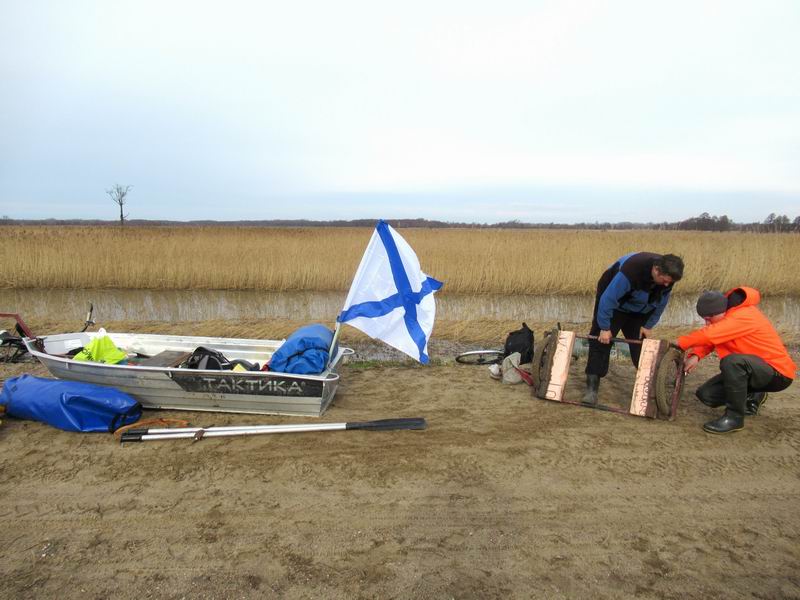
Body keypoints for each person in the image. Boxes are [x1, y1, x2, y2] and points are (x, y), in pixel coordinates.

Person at [678, 288, 795, 434]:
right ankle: (754, 393)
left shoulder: (743, 315)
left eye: (709, 318)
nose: (707, 323)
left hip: (778, 373)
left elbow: (710, 334)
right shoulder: (727, 316)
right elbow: (713, 338)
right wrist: (696, 355)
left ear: (721, 311)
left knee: (731, 362)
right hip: (753, 369)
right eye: (704, 319)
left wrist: (679, 343)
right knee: (707, 395)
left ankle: (734, 419)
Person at [584, 252, 684, 404]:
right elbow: (608, 299)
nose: (666, 285)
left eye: (669, 282)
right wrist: (604, 328)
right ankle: (591, 390)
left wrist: (648, 325)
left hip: (640, 309)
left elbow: (661, 303)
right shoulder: (631, 271)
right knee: (600, 342)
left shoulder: (668, 278)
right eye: (664, 281)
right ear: (656, 270)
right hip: (615, 304)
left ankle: (650, 388)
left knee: (641, 345)